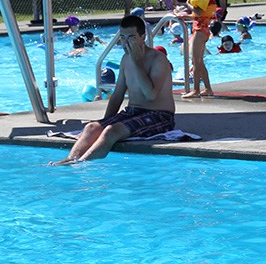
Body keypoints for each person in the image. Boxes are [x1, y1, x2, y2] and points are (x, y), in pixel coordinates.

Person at [51, 15, 176, 165]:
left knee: (111, 131)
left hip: (159, 115)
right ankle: (69, 160)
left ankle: (81, 165)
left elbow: (150, 95)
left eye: (131, 37)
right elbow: (117, 95)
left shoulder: (158, 59)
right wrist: (103, 123)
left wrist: (137, 63)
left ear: (142, 37)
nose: (125, 42)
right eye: (122, 37)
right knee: (91, 127)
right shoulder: (126, 59)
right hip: (132, 112)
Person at [182, 0, 217, 99]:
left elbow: (198, 11)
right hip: (203, 29)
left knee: (195, 61)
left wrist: (187, 4)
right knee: (199, 61)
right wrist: (185, 16)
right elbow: (200, 15)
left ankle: (195, 90)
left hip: (200, 31)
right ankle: (208, 89)